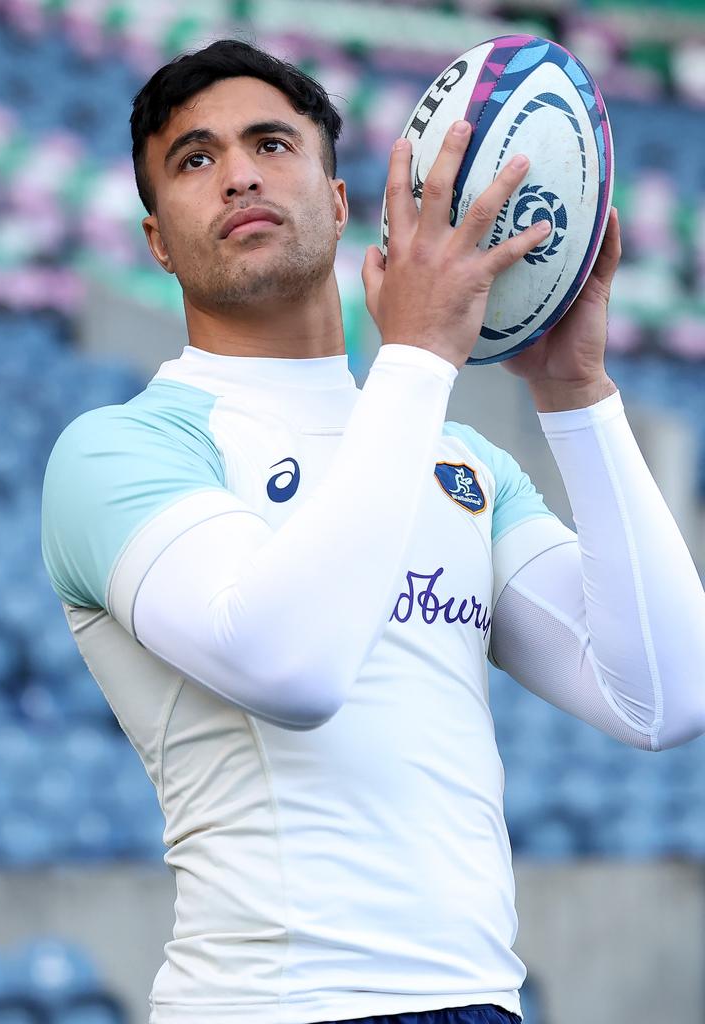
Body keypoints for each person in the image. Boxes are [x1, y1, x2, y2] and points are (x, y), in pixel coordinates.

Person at [41, 38, 705, 1024]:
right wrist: (420, 354)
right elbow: (294, 668)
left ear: (341, 202)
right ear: (158, 242)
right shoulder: (119, 452)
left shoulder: (462, 464)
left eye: (272, 143)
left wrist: (576, 393)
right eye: (195, 158)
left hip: (483, 1001)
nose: (238, 174)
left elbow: (663, 695)